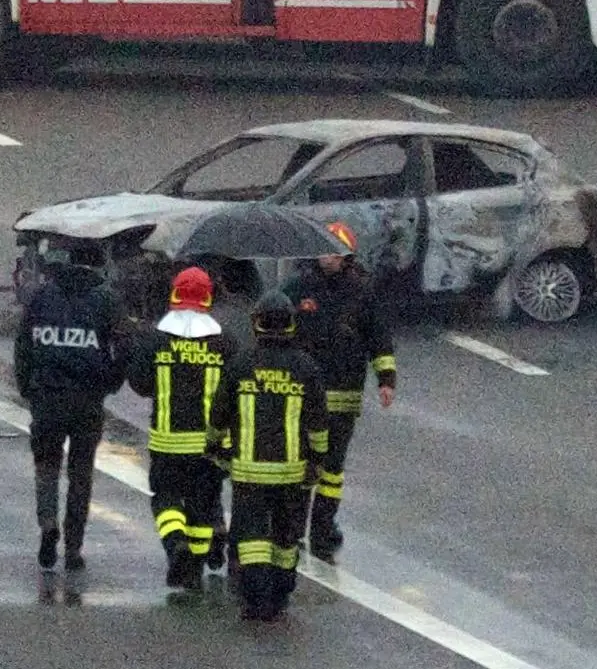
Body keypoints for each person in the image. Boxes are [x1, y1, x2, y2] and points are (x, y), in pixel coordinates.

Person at [210, 292, 329, 624]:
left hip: (250, 472)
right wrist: (318, 459)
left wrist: (214, 446)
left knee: (250, 538)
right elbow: (318, 421)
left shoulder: (241, 364)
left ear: (257, 324)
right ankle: (280, 590)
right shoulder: (306, 367)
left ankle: (255, 597)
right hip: (292, 474)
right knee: (285, 536)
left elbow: (219, 413)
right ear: (291, 324)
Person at [13, 242, 125, 571]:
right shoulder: (106, 301)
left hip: (46, 397)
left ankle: (48, 524)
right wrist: (110, 382)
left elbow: (24, 345)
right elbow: (124, 347)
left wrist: (27, 386)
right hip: (87, 401)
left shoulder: (42, 297)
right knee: (81, 474)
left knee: (47, 467)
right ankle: (74, 547)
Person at [294, 222, 396, 566]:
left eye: (335, 252)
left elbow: (379, 339)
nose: (328, 258)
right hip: (305, 395)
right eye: (324, 250)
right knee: (303, 464)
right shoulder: (299, 287)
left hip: (344, 395)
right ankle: (293, 528)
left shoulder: (362, 292)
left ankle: (322, 529)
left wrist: (386, 378)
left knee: (332, 470)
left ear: (347, 256)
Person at [128, 265, 233, 591]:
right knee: (204, 507)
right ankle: (195, 565)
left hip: (167, 443)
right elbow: (234, 392)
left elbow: (140, 384)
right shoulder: (224, 344)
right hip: (209, 446)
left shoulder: (153, 340)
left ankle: (176, 545)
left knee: (166, 499)